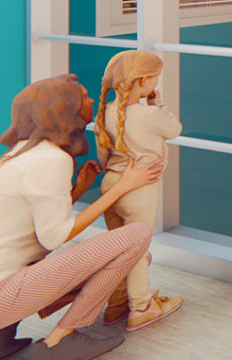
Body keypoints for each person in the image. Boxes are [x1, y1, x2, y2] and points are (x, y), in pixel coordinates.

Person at [0, 74, 163, 360]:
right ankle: (62, 339)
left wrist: (79, 189)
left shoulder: (18, 153)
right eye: (83, 96)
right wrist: (123, 186)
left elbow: (37, 227)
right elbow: (54, 236)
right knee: (137, 236)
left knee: (130, 258)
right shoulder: (51, 160)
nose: (91, 99)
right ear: (64, 109)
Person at [95, 50, 184, 332]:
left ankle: (116, 305)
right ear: (144, 81)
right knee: (135, 252)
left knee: (117, 251)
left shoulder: (105, 113)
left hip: (111, 186)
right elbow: (175, 129)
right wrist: (160, 104)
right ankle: (141, 307)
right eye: (155, 78)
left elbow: (103, 157)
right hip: (140, 191)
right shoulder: (150, 114)